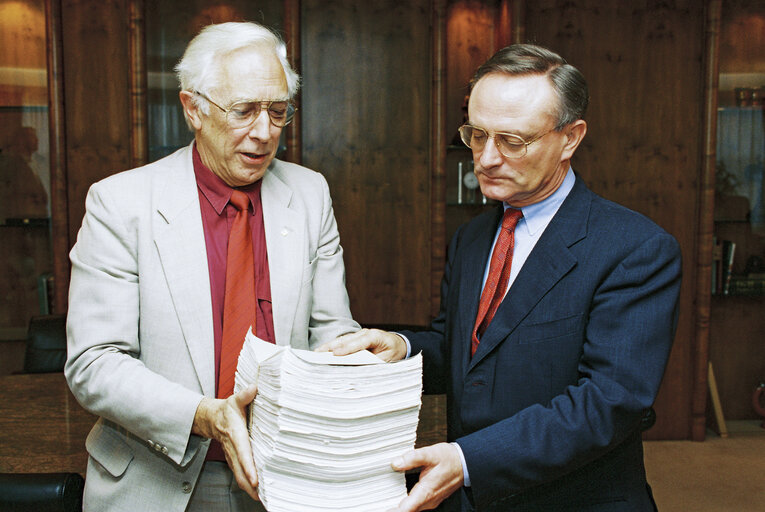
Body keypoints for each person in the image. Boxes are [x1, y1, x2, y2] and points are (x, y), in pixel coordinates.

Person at [320, 44, 682, 512]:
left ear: (570, 138)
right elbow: (469, 359)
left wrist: (469, 459)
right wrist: (402, 348)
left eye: (513, 141)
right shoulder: (473, 237)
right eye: (476, 134)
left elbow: (608, 403)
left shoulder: (634, 249)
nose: (487, 159)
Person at [65, 22, 359, 512]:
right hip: (157, 480)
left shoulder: (310, 195)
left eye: (278, 111)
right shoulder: (121, 203)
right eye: (243, 111)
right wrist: (206, 416)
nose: (265, 133)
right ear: (193, 109)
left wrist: (365, 359)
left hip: (286, 476)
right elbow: (95, 363)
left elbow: (331, 332)